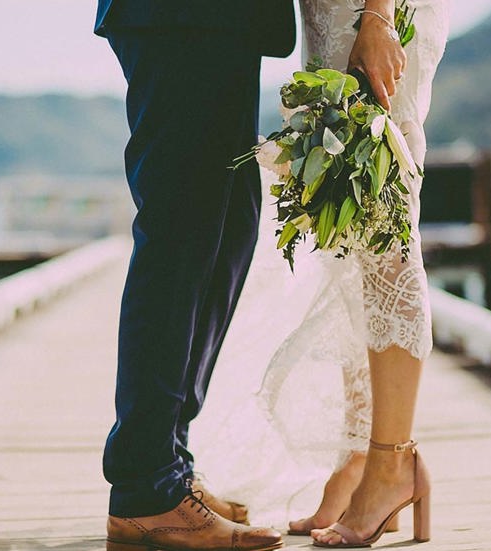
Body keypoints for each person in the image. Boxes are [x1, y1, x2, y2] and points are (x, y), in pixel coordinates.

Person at [191, 0, 451, 547]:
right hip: (330, 17)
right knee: (349, 244)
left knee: (386, 233)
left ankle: (392, 464)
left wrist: (379, 18)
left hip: (373, 13)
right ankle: (357, 460)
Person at [93, 1, 296, 550]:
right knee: (181, 227)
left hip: (222, 18)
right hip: (176, 14)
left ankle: (168, 464)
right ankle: (146, 485)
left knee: (231, 225)